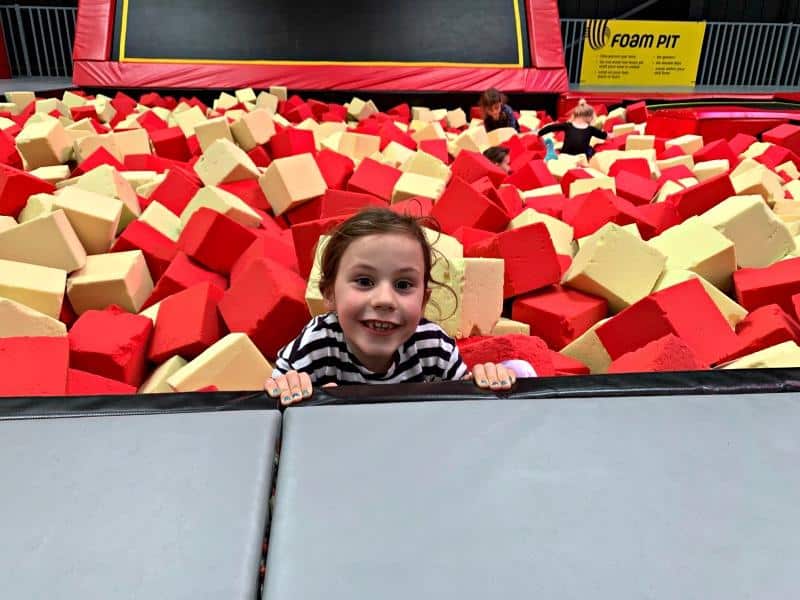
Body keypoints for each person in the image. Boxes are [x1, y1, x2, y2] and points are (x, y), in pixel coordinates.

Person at [264, 208, 519, 405]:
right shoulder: (315, 346)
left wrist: (483, 382)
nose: (385, 299)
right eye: (364, 281)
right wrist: (290, 392)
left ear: (424, 300)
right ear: (329, 293)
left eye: (403, 284)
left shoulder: (434, 347)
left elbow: (463, 414)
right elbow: (272, 419)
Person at [536, 99, 608, 157]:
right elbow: (604, 136)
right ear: (589, 117)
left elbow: (551, 127)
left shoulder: (567, 126)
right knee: (590, 149)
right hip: (581, 156)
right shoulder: (591, 129)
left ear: (574, 115)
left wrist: (539, 133)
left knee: (559, 148)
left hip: (565, 154)